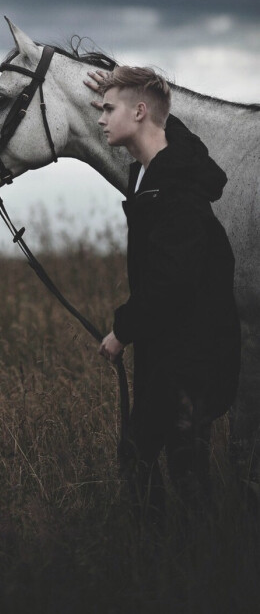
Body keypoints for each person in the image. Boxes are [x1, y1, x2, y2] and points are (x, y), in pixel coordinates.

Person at [85, 65, 240, 517]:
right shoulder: (149, 171)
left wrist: (122, 330)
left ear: (138, 111)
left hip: (192, 354)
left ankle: (180, 568)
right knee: (163, 459)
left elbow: (173, 280)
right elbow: (166, 123)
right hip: (170, 350)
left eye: (109, 109)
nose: (100, 119)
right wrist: (135, 87)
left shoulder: (176, 187)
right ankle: (173, 561)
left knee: (165, 463)